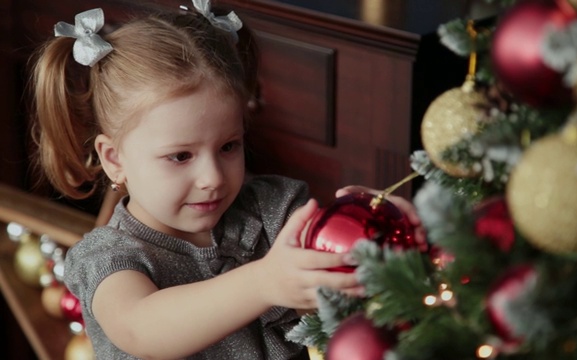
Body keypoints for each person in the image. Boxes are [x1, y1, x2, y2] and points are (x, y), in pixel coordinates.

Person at [30, 1, 425, 359]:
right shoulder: (109, 257)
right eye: (180, 156)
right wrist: (264, 283)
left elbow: (324, 291)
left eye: (228, 147)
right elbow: (141, 329)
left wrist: (365, 232)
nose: (212, 178)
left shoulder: (273, 207)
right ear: (115, 160)